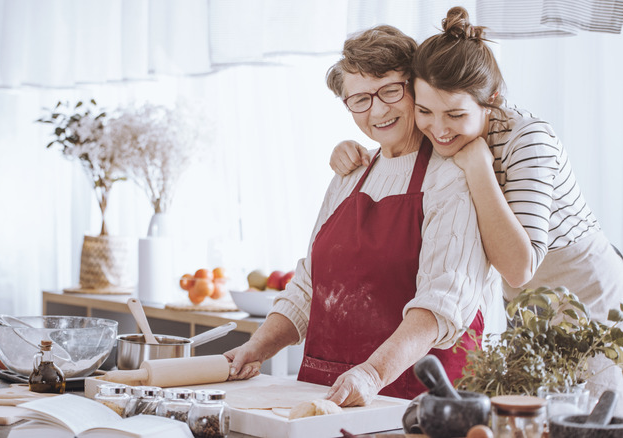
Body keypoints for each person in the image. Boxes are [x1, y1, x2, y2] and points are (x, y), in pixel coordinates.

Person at [329, 7, 623, 402]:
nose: (438, 128)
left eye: (455, 114)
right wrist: (352, 151)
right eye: (425, 111)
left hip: (586, 293)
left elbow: (518, 267)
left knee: (591, 416)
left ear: (492, 100)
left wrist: (480, 167)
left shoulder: (528, 139)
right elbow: (397, 144)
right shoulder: (440, 129)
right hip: (524, 306)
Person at [224, 25, 498, 406]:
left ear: (415, 88)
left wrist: (373, 373)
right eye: (360, 99)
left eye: (390, 90)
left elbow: (442, 303)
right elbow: (309, 286)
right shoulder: (349, 174)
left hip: (414, 401)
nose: (378, 110)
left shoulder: (452, 176)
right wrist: (255, 349)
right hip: (328, 394)